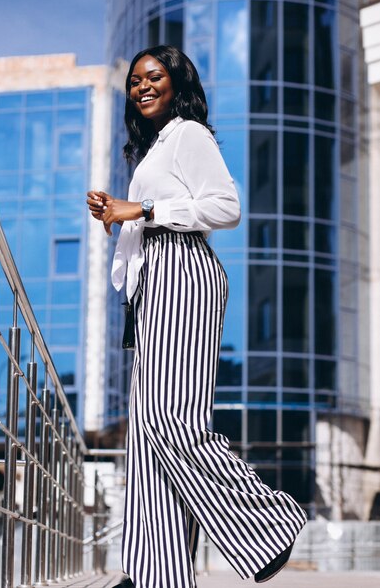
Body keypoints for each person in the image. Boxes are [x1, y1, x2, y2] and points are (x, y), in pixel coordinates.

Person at [87, 45, 307, 588]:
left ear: (176, 82)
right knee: (146, 437)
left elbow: (226, 207)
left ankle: (269, 521)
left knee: (173, 421)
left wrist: (138, 209)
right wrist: (124, 217)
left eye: (153, 76)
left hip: (183, 276)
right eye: (134, 80)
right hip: (152, 288)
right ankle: (152, 575)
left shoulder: (188, 133)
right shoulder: (154, 150)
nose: (141, 86)